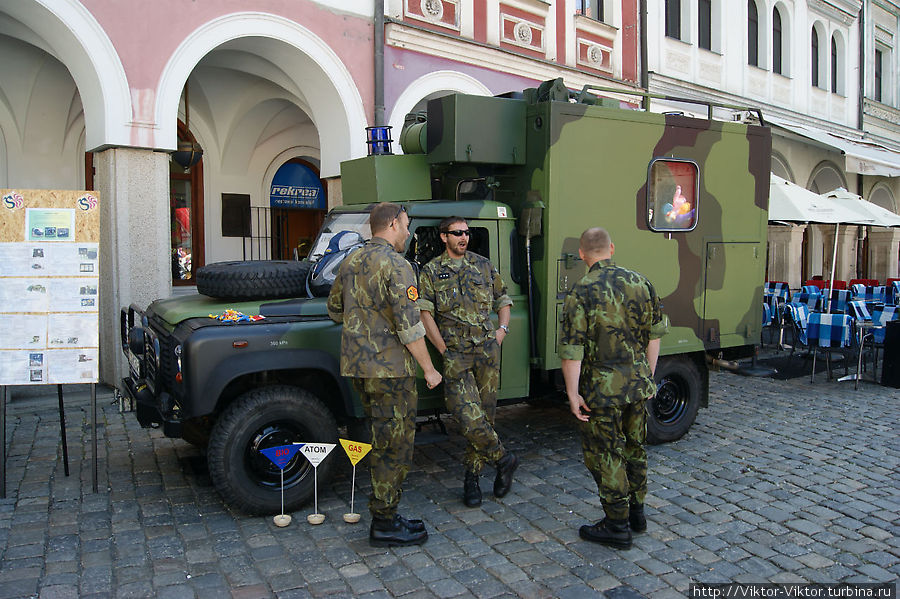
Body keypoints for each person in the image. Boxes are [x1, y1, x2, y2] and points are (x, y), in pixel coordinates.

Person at [327, 202, 442, 547]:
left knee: (381, 438)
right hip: (391, 372)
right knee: (395, 446)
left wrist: (366, 318)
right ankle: (385, 521)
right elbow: (410, 327)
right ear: (393, 224)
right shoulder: (398, 264)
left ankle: (387, 510)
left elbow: (334, 311)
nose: (408, 232)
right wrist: (429, 369)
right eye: (406, 225)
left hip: (359, 368)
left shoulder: (350, 261)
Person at [559, 227, 667, 550]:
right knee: (635, 447)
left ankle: (617, 525)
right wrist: (647, 375)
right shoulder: (640, 282)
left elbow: (572, 351)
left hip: (601, 392)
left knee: (606, 455)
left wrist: (572, 394)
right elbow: (655, 334)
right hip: (636, 386)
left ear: (582, 254)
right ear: (612, 248)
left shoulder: (582, 291)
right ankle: (637, 513)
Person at [418, 217, 518, 508]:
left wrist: (502, 331)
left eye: (466, 233)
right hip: (456, 355)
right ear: (443, 237)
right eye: (457, 233)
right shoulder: (432, 271)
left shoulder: (484, 265)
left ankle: (472, 478)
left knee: (486, 417)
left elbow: (503, 299)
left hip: (487, 352)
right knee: (467, 416)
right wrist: (442, 349)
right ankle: (504, 459)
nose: (464, 237)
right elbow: (426, 314)